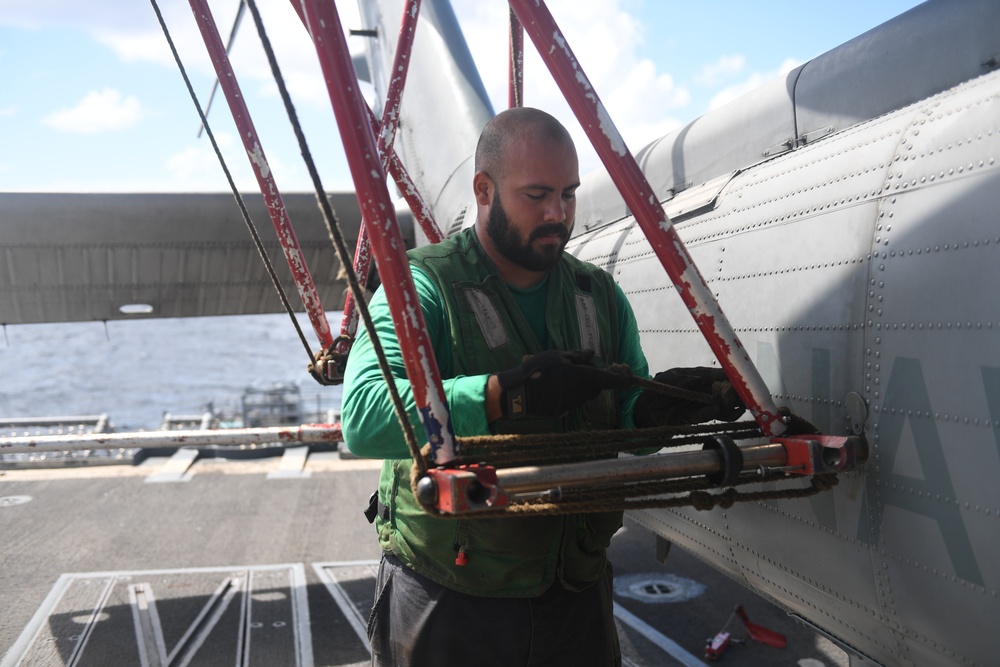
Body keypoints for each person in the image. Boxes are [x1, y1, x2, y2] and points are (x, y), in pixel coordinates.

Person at [341, 107, 742, 666]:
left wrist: (651, 411)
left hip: (574, 592)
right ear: (484, 190)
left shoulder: (597, 295)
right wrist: (503, 395)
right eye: (537, 195)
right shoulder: (421, 286)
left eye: (569, 194)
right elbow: (363, 418)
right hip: (453, 597)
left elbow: (625, 418)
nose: (558, 213)